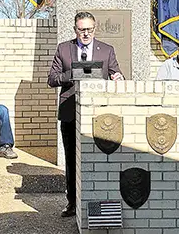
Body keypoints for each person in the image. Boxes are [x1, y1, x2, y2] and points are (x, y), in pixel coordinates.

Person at [48, 11, 124, 217]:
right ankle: (72, 202)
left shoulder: (107, 50)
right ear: (75, 29)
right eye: (81, 30)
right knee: (72, 161)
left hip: (99, 115)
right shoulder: (64, 49)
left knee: (100, 158)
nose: (86, 34)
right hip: (70, 112)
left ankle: (98, 202)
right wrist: (72, 73)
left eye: (89, 29)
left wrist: (118, 77)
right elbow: (52, 79)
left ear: (95, 28)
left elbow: (116, 73)